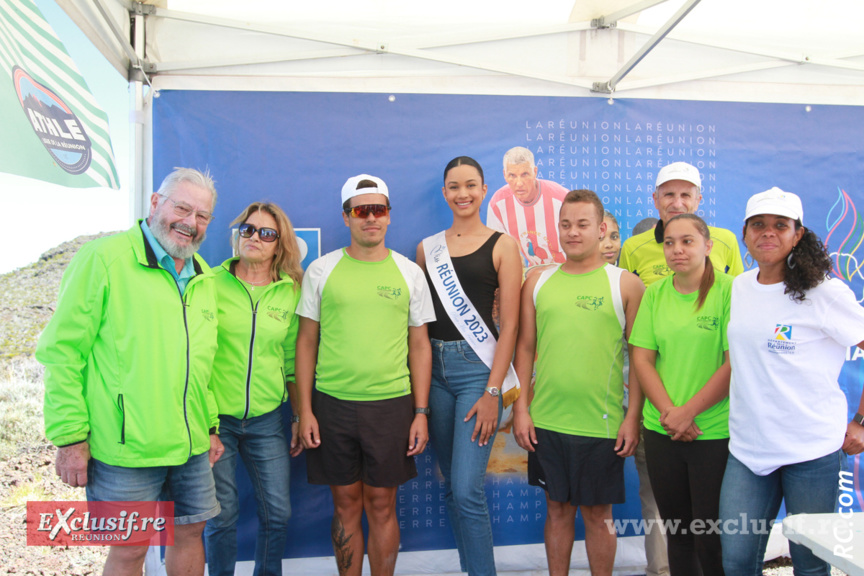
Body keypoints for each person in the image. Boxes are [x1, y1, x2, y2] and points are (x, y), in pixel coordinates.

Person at [36, 168, 223, 576]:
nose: (191, 223)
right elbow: (62, 352)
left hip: (190, 446)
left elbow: (199, 363)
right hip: (125, 450)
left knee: (192, 534)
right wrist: (69, 437)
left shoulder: (204, 277)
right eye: (183, 208)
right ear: (156, 203)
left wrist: (208, 426)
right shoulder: (104, 259)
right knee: (130, 550)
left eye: (203, 216)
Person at [294, 174, 435, 576]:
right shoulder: (321, 271)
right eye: (361, 210)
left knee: (381, 503)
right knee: (346, 504)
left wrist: (420, 412)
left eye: (379, 209)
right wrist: (304, 410)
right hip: (332, 405)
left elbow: (420, 346)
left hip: (390, 407)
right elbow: (306, 342)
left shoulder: (409, 273)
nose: (371, 218)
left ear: (389, 216)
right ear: (346, 217)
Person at [720, 187, 864, 576]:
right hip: (748, 451)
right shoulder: (740, 287)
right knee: (735, 561)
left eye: (780, 226)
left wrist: (861, 421)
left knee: (810, 564)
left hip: (811, 452)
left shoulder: (825, 292)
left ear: (798, 234)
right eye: (759, 225)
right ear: (745, 234)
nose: (768, 233)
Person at [513, 189, 645, 576]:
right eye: (566, 224)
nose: (573, 232)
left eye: (583, 224)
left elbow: (641, 362)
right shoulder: (537, 280)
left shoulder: (626, 285)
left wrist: (631, 417)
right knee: (556, 509)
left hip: (601, 424)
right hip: (547, 421)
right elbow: (524, 348)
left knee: (597, 514)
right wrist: (520, 407)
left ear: (601, 229)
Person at [417, 156, 522, 576]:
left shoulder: (503, 245)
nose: (463, 194)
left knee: (466, 490)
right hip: (435, 371)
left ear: (483, 190)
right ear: (444, 193)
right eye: (454, 186)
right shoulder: (427, 248)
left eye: (471, 185)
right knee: (451, 489)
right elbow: (420, 322)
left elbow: (511, 324)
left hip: (477, 370)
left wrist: (493, 391)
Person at [205, 202, 305, 576]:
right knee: (222, 515)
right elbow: (195, 355)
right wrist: (207, 422)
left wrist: (297, 416)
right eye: (247, 229)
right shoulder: (209, 283)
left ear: (279, 245)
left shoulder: (289, 292)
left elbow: (293, 362)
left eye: (266, 233)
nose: (254, 238)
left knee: (278, 514)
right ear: (237, 235)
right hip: (216, 421)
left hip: (266, 420)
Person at [630, 214, 732, 576]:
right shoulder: (655, 294)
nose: (677, 250)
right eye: (669, 242)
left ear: (708, 246)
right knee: (678, 532)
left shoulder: (730, 291)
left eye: (687, 241)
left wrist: (689, 412)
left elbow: (733, 364)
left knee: (711, 534)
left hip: (713, 432)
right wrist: (671, 413)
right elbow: (642, 358)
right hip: (663, 430)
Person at [619, 162, 743, 286]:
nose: (677, 204)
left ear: (697, 201)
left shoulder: (727, 241)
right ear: (655, 200)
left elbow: (738, 296)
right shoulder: (632, 248)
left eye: (685, 195)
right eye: (669, 195)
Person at [485, 146, 569, 267]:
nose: (519, 183)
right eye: (512, 175)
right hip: (535, 272)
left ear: (535, 172)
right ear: (504, 175)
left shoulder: (562, 198)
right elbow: (498, 251)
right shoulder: (497, 204)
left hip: (570, 269)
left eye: (525, 174)